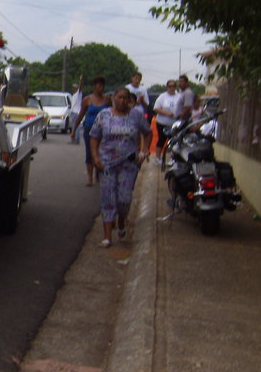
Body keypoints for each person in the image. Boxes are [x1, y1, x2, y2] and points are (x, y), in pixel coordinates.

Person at [90, 87, 151, 247]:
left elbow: (148, 132)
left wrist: (144, 151)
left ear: (129, 100)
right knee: (108, 198)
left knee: (124, 199)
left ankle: (122, 221)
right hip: (107, 164)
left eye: (125, 98)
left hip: (128, 164)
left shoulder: (136, 116)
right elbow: (94, 137)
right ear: (113, 98)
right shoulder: (104, 115)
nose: (122, 101)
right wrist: (96, 158)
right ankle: (107, 237)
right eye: (119, 97)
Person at [70, 76, 111, 185]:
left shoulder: (107, 99)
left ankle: (98, 173)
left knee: (101, 152)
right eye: (98, 86)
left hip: (104, 130)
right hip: (90, 129)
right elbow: (81, 115)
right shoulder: (87, 99)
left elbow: (113, 114)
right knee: (90, 152)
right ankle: (90, 177)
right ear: (94, 87)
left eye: (102, 86)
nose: (100, 88)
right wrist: (74, 130)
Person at [152, 79, 180, 149]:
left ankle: (172, 156)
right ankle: (158, 158)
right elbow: (156, 108)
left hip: (174, 123)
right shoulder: (162, 96)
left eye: (173, 86)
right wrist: (166, 113)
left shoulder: (179, 96)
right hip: (162, 123)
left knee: (174, 140)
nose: (171, 88)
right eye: (169, 86)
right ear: (167, 87)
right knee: (162, 139)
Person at [69, 79, 84, 144]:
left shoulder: (78, 93)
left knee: (76, 127)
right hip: (73, 112)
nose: (73, 89)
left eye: (74, 87)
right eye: (72, 87)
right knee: (74, 126)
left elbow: (80, 87)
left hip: (76, 112)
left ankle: (76, 140)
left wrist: (80, 80)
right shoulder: (74, 95)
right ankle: (73, 139)